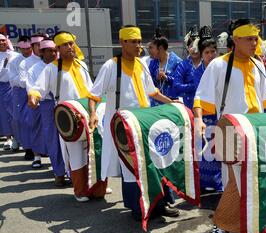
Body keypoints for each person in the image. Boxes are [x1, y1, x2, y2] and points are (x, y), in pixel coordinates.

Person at [193, 19, 266, 233]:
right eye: (250, 38)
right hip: (230, 131)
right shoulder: (219, 65)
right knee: (235, 182)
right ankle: (222, 225)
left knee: (252, 181)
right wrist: (200, 119)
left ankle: (244, 225)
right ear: (236, 40)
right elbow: (201, 97)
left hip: (257, 131)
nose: (255, 43)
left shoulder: (259, 65)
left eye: (256, 38)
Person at [88, 25, 176, 220]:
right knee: (131, 169)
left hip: (144, 124)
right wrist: (93, 113)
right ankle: (138, 208)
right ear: (122, 43)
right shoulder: (111, 66)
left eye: (139, 41)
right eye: (134, 42)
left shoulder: (142, 64)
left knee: (155, 163)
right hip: (122, 127)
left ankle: (160, 205)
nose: (139, 45)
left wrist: (172, 102)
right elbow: (94, 94)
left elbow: (153, 92)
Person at [28, 31, 107, 202]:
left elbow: (92, 90)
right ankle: (80, 190)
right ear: (57, 48)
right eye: (65, 44)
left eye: (71, 43)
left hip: (89, 114)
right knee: (76, 155)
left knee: (95, 151)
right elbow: (38, 88)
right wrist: (33, 96)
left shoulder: (81, 65)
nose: (70, 47)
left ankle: (97, 186)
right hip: (68, 120)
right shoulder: (51, 68)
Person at [27, 39, 66, 186]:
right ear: (42, 52)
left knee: (70, 138)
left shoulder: (64, 66)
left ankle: (73, 172)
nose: (53, 53)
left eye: (55, 50)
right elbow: (32, 89)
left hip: (65, 104)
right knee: (53, 139)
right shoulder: (34, 69)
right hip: (47, 105)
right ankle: (59, 172)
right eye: (49, 51)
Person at [193, 25, 222, 192]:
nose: (210, 55)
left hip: (220, 115)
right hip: (204, 117)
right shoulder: (198, 72)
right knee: (205, 152)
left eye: (213, 52)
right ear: (201, 54)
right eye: (206, 53)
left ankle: (220, 184)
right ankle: (204, 185)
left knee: (220, 150)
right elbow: (199, 96)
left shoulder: (222, 68)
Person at [20, 33, 48, 161]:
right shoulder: (26, 63)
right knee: (35, 126)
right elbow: (25, 82)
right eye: (37, 45)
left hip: (51, 100)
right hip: (35, 100)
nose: (39, 47)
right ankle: (37, 156)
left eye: (41, 44)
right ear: (32, 46)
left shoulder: (53, 61)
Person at [8, 36, 32, 152]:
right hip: (19, 91)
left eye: (27, 48)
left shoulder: (37, 59)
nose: (25, 51)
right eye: (22, 49)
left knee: (33, 119)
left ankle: (34, 147)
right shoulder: (14, 61)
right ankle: (19, 140)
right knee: (18, 119)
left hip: (34, 91)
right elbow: (12, 80)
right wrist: (25, 80)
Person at [148, 28, 182, 107]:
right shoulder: (153, 63)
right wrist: (156, 78)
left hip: (172, 102)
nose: (149, 50)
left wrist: (167, 78)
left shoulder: (177, 62)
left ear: (160, 48)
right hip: (155, 104)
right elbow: (148, 83)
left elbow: (180, 83)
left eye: (151, 48)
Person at [172, 26, 201, 109]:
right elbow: (177, 85)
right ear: (187, 48)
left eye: (197, 46)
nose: (194, 49)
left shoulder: (207, 64)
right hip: (189, 104)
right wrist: (193, 86)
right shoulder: (183, 65)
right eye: (191, 46)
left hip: (206, 104)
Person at [0, 33, 19, 151]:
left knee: (15, 112)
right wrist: (5, 65)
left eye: (3, 40)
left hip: (15, 88)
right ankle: (8, 138)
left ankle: (19, 138)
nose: (2, 43)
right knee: (4, 113)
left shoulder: (16, 55)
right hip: (2, 87)